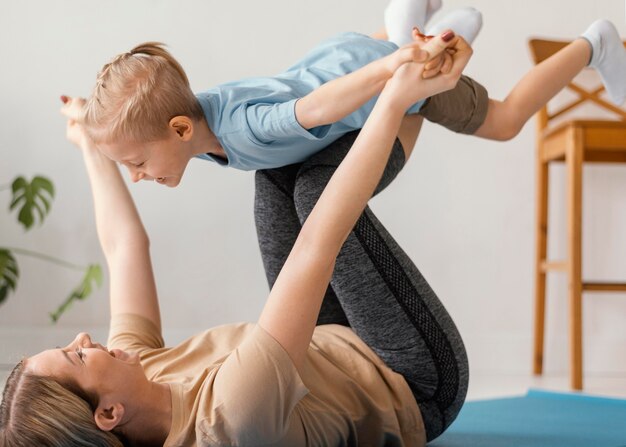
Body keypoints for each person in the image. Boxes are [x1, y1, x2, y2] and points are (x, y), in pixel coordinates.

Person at [0, 32, 472, 447]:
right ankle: (414, 88)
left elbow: (124, 247)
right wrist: (393, 99)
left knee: (276, 164)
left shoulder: (137, 373)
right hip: (408, 379)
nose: (85, 337)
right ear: (108, 414)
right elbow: (317, 247)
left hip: (326, 342)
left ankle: (372, 63)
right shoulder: (231, 420)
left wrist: (91, 144)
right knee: (313, 194)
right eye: (76, 354)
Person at [59, 1, 625, 186]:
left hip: (360, 79)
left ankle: (592, 45)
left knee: (502, 120)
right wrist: (90, 118)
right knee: (392, 45)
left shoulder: (240, 131)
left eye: (136, 163)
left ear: (179, 131)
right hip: (338, 52)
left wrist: (397, 68)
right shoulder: (191, 110)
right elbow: (141, 115)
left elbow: (319, 107)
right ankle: (415, 27)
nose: (137, 176)